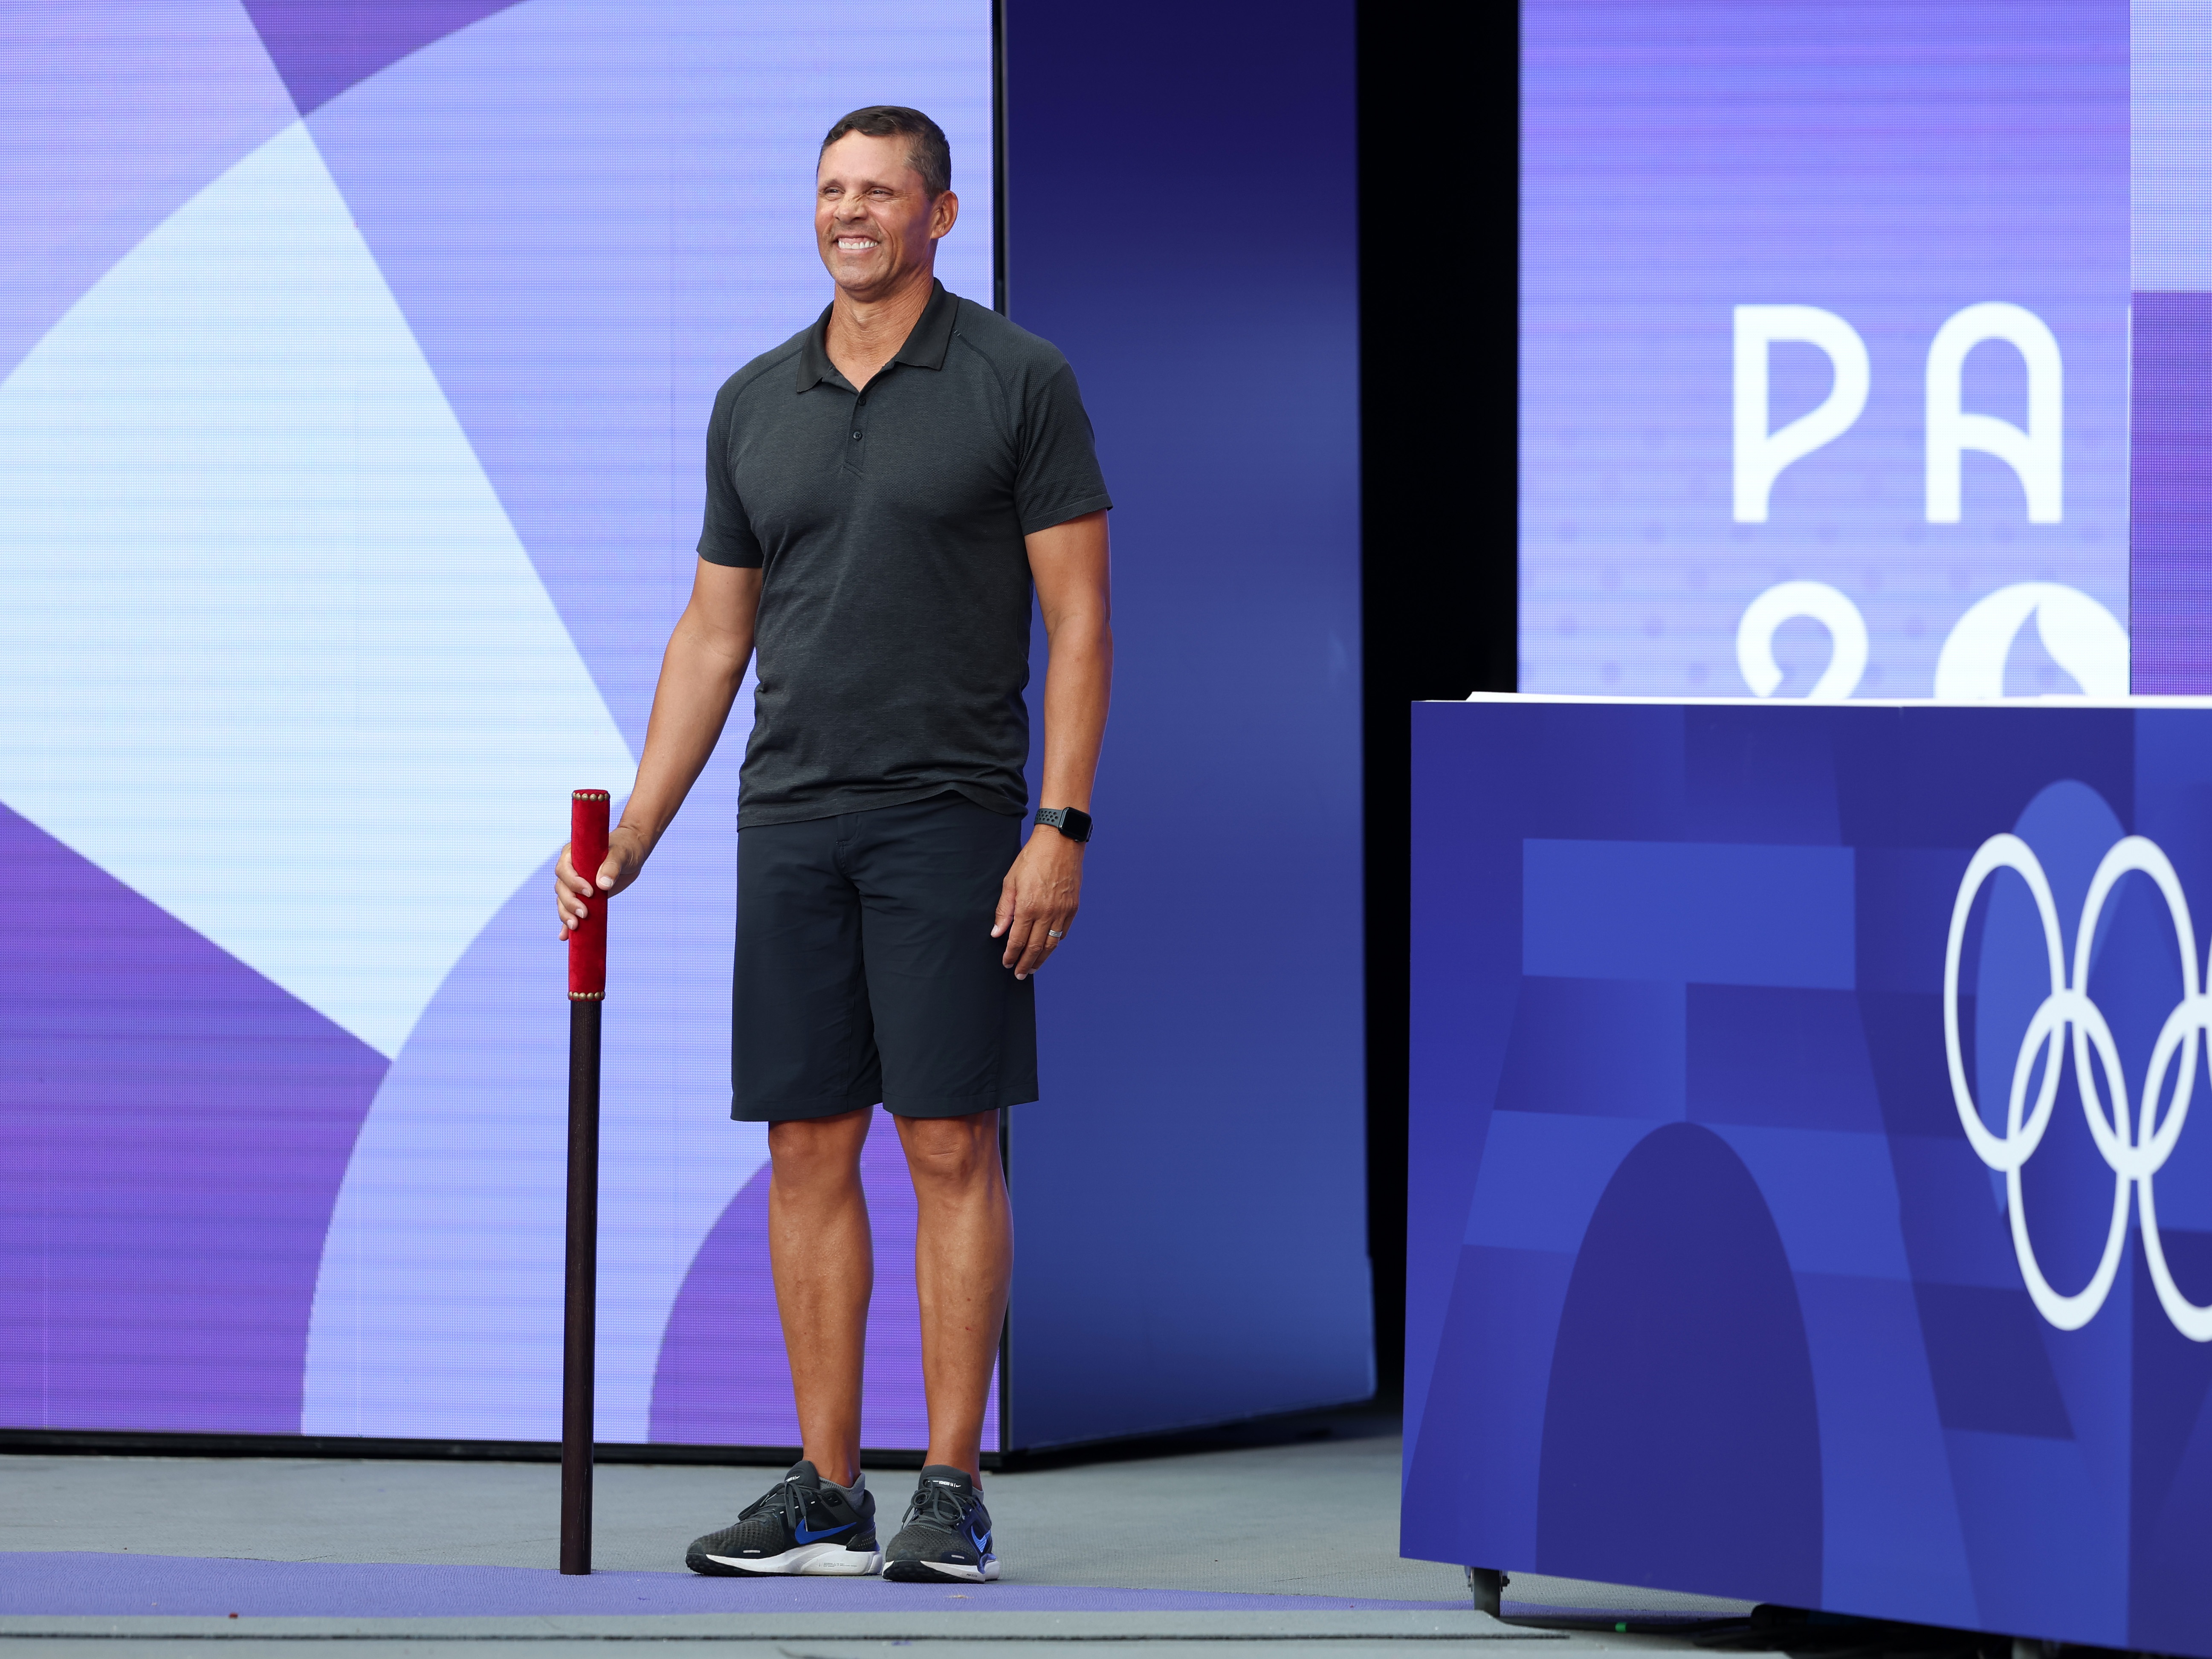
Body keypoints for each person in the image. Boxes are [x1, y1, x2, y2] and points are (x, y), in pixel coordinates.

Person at [554, 104, 1112, 1585]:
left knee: (946, 1141)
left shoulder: (1019, 381)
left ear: (940, 214)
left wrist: (1057, 824)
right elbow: (712, 633)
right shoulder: (755, 399)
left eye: (879, 192)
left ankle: (950, 1488)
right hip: (788, 817)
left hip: (951, 815)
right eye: (830, 191)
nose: (849, 213)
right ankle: (824, 1487)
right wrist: (639, 830)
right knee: (806, 1147)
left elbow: (1081, 625)